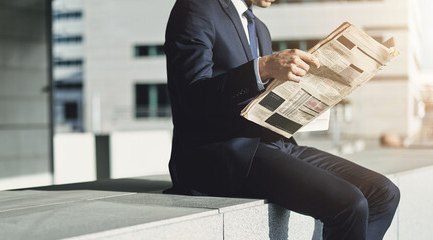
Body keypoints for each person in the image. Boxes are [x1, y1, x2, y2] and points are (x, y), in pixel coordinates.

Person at [163, 0, 400, 239]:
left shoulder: (260, 28)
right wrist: (263, 67)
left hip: (273, 143)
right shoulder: (196, 8)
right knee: (350, 204)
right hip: (224, 153)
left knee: (383, 192)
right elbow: (191, 97)